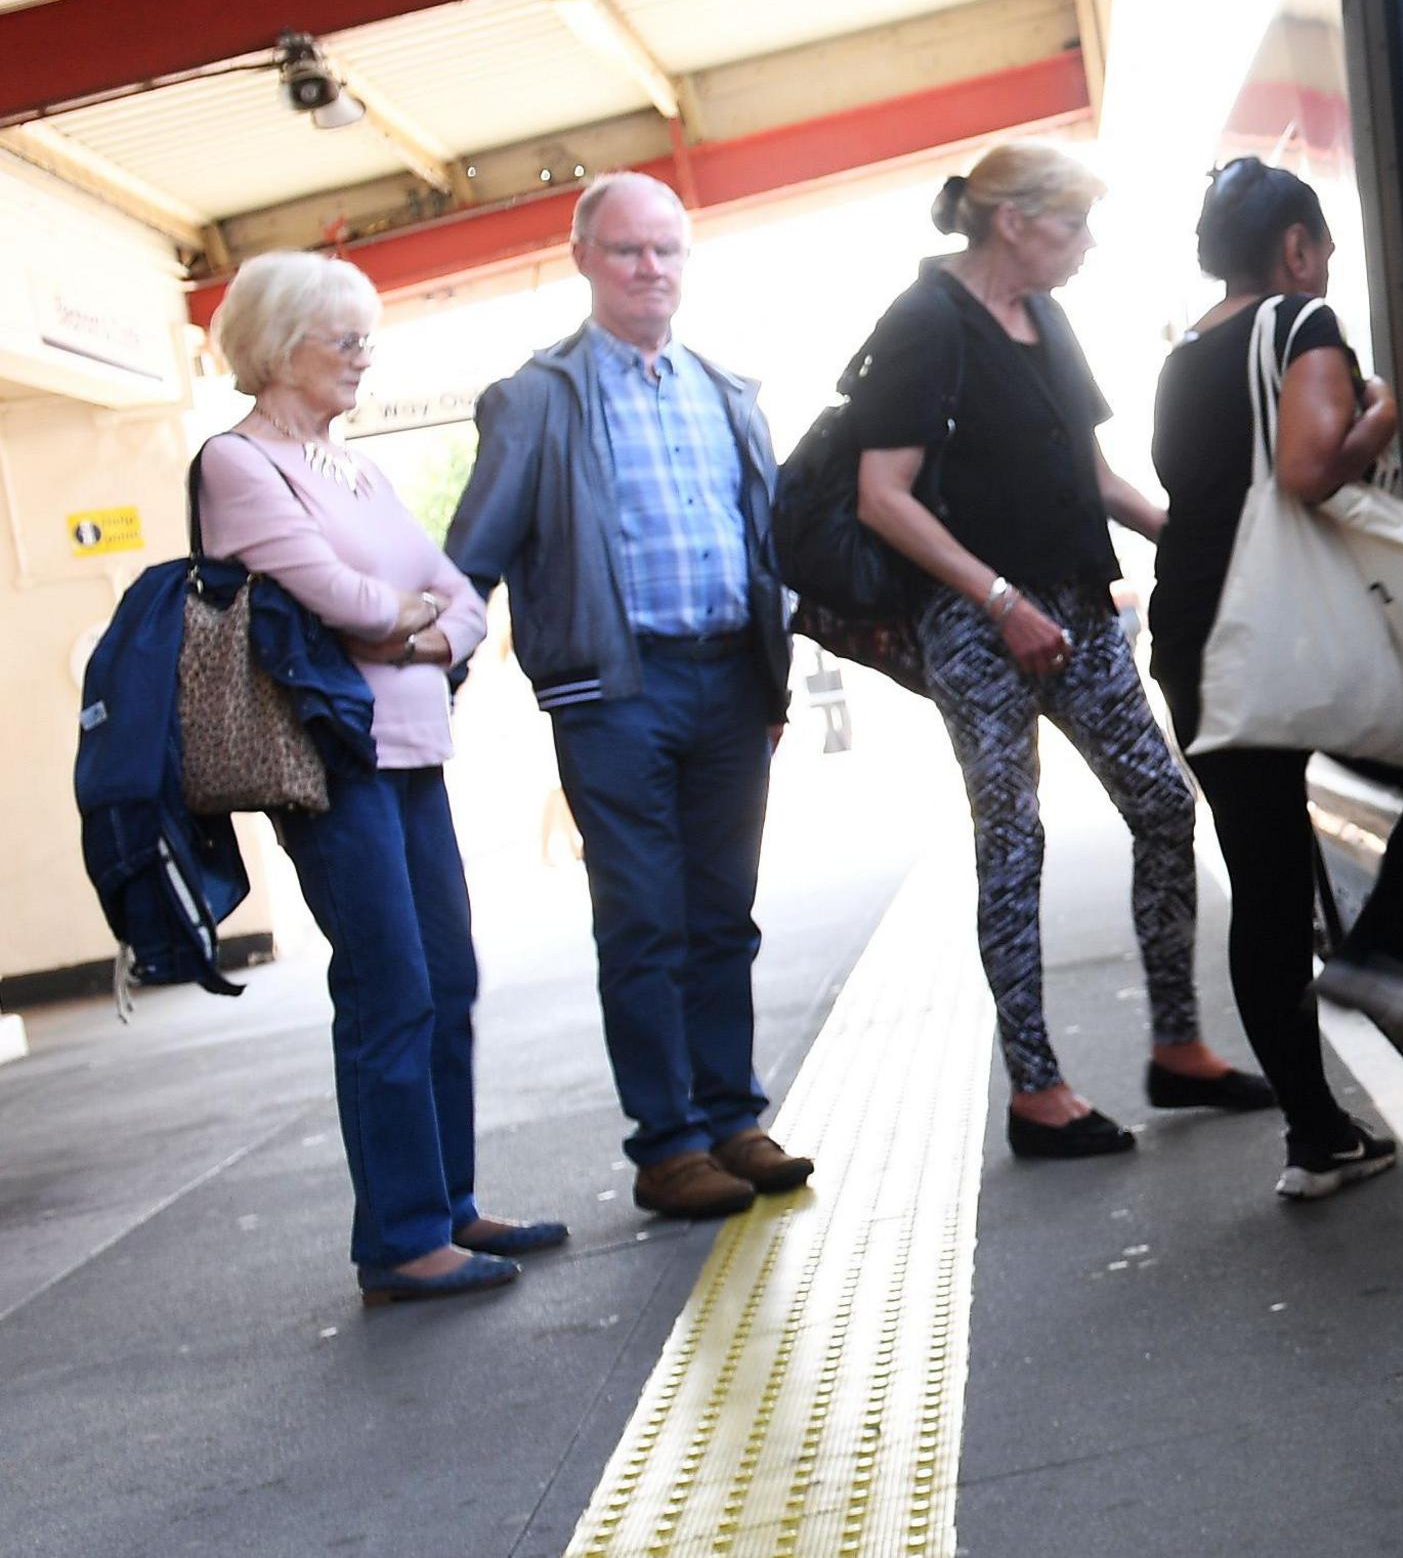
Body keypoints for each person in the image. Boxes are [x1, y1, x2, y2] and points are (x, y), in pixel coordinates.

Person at [845, 143, 1265, 1161]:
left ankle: (1178, 1043)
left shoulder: (1048, 319)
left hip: (1073, 602)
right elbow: (880, 493)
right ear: (1012, 222)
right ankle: (1037, 1089)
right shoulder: (925, 322)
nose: (1087, 246)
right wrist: (996, 598)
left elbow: (1094, 475)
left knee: (1164, 806)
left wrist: (1200, 535)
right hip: (977, 623)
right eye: (1073, 225)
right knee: (1013, 837)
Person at [198, 252, 560, 1304]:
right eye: (343, 339)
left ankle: (446, 1202)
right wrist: (402, 620)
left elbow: (456, 596)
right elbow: (343, 599)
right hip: (332, 759)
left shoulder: (356, 470)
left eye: (367, 338)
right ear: (276, 348)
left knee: (447, 978)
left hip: (412, 749)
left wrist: (414, 627)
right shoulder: (240, 463)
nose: (363, 357)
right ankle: (401, 1238)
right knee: (388, 986)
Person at [449, 174, 809, 1224]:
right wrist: (423, 678)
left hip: (729, 684)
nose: (651, 269)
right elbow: (473, 551)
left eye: (667, 251)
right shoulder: (539, 397)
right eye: (626, 251)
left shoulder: (727, 390)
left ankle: (733, 1117)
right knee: (645, 917)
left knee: (721, 915)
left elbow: (769, 547)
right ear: (583, 258)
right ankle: (669, 1143)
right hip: (615, 691)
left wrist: (775, 673)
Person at [1150, 159, 1403, 1198]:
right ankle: (1378, 950)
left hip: (1199, 634)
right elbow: (1309, 469)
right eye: (1325, 249)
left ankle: (1316, 1137)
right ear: (1296, 248)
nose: (1328, 265)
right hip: (1292, 627)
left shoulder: (1182, 358)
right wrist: (1379, 418)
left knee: (1266, 885)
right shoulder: (1302, 323)